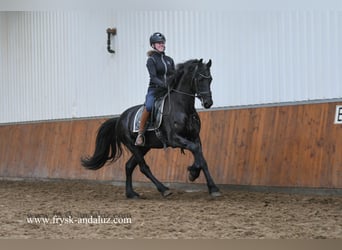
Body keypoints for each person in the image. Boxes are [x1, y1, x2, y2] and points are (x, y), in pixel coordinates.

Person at [135, 32, 175, 146]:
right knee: (149, 106)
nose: (161, 45)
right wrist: (164, 84)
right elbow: (153, 77)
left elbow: (173, 74)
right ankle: (140, 134)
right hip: (155, 89)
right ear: (153, 45)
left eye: (162, 43)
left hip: (168, 89)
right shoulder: (151, 60)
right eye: (158, 43)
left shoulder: (169, 60)